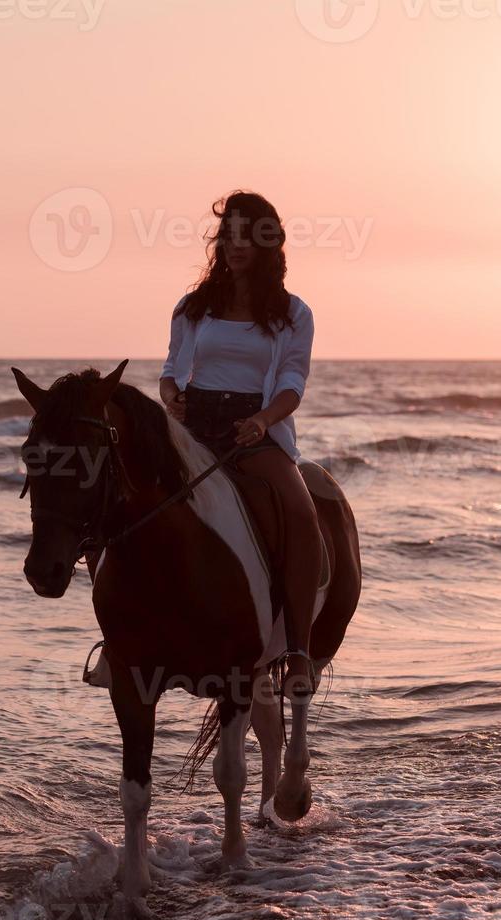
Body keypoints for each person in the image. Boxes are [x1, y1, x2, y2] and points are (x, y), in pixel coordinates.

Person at [158, 190, 323, 667]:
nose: (235, 244)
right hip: (195, 427)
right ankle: (121, 640)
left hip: (254, 431)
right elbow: (171, 371)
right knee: (130, 494)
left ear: (269, 245)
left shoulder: (294, 314)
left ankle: (297, 650)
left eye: (247, 236)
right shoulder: (193, 306)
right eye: (228, 235)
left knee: (300, 513)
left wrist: (263, 421)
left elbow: (293, 384)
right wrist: (173, 400)